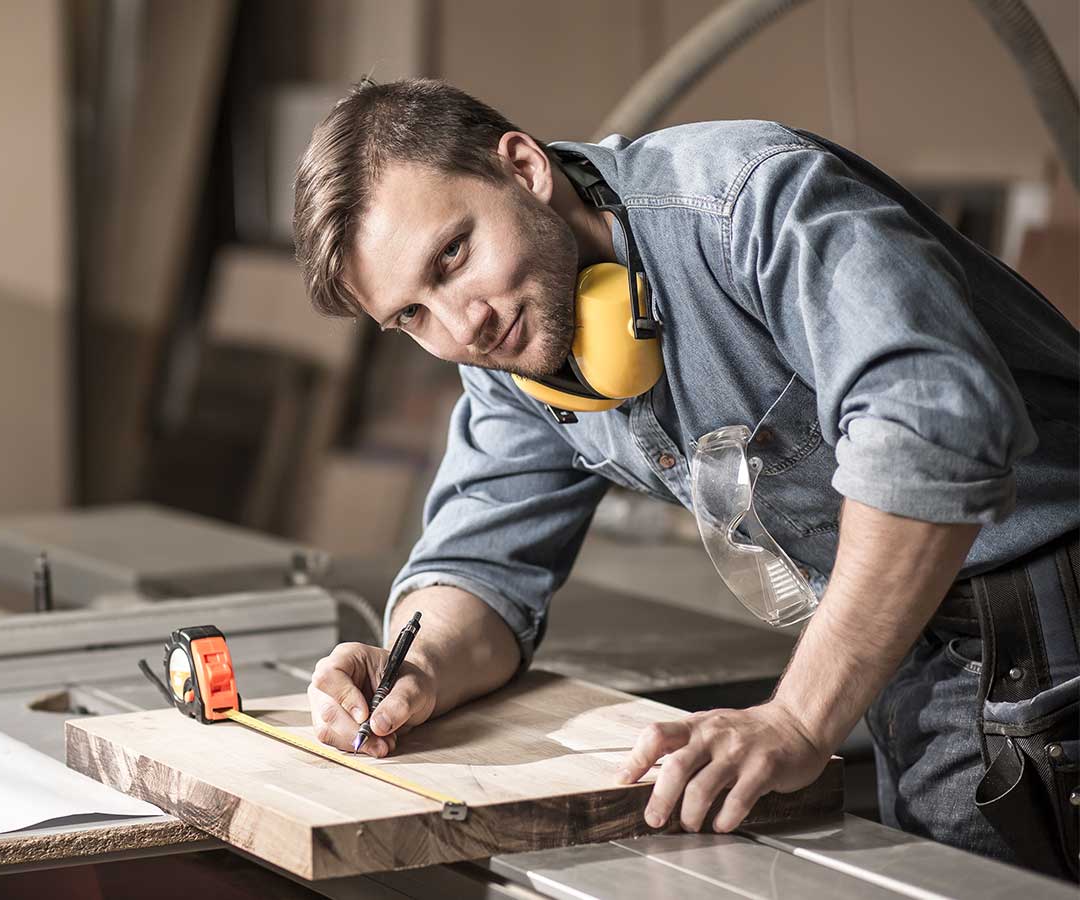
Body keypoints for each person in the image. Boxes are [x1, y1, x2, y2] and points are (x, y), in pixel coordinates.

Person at [292, 78, 1078, 878]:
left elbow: (931, 429)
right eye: (412, 316)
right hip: (908, 642)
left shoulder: (748, 201)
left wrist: (799, 719)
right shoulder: (513, 348)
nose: (463, 324)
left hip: (1051, 608)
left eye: (453, 256)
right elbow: (478, 565)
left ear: (523, 167)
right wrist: (416, 669)